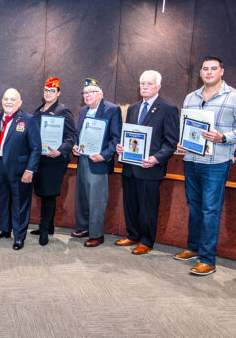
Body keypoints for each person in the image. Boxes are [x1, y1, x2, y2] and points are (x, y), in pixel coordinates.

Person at [175, 56, 236, 276]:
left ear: (222, 71)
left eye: (213, 68)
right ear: (200, 73)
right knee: (194, 205)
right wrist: (183, 141)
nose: (209, 72)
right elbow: (187, 126)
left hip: (216, 163)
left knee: (210, 210)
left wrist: (224, 137)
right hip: (191, 160)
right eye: (205, 69)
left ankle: (208, 259)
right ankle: (193, 248)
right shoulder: (191, 97)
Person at [115, 70, 179, 255]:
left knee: (147, 208)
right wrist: (121, 147)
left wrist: (156, 158)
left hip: (149, 168)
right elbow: (129, 135)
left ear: (158, 86)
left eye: (149, 84)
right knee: (130, 204)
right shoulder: (134, 108)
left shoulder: (168, 108)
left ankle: (146, 241)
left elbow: (171, 142)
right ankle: (133, 235)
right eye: (142, 83)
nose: (145, 87)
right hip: (130, 166)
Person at [0, 88, 40, 250]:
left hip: (20, 170)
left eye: (12, 99)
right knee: (2, 200)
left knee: (20, 204)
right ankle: (4, 229)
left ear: (19, 103)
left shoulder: (28, 119)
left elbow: (36, 148)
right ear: (2, 101)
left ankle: (19, 236)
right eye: (6, 99)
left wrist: (30, 170)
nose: (9, 102)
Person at [71, 78, 121, 247]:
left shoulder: (112, 110)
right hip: (83, 159)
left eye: (91, 92)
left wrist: (104, 155)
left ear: (101, 94)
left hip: (98, 161)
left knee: (96, 199)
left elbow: (116, 138)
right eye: (85, 93)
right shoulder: (84, 110)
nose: (87, 95)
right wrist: (76, 146)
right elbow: (80, 134)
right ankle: (84, 227)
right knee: (82, 196)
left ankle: (97, 234)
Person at [30, 77, 77, 246]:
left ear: (58, 93)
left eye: (52, 91)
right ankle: (47, 226)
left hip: (55, 160)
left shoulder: (63, 111)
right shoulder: (39, 110)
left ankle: (44, 231)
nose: (48, 93)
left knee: (49, 194)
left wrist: (60, 150)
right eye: (46, 90)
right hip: (40, 159)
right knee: (42, 192)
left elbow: (72, 136)